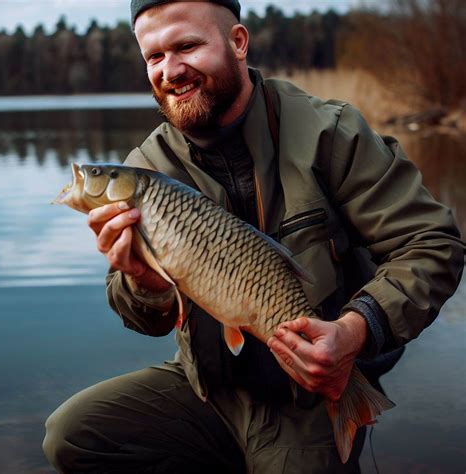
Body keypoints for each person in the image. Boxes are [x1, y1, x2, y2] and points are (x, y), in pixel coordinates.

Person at [43, 1, 464, 473]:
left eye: (187, 46)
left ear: (238, 43)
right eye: (154, 57)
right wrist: (145, 285)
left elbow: (432, 243)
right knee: (72, 435)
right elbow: (142, 317)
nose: (170, 70)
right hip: (206, 388)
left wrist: (354, 330)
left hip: (304, 391)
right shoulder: (146, 167)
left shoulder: (328, 131)